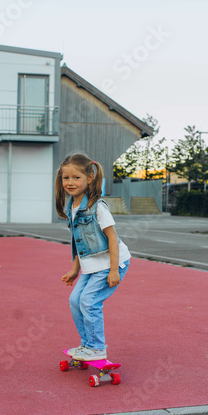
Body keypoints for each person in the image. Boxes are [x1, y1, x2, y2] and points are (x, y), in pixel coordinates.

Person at [55, 153, 131, 361]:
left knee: (89, 301)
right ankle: (87, 344)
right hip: (91, 266)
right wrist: (75, 270)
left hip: (111, 264)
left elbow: (112, 240)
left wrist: (114, 270)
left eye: (76, 177)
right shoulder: (72, 207)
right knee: (74, 300)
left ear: (89, 178)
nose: (70, 182)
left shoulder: (98, 207)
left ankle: (97, 347)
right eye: (65, 178)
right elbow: (79, 243)